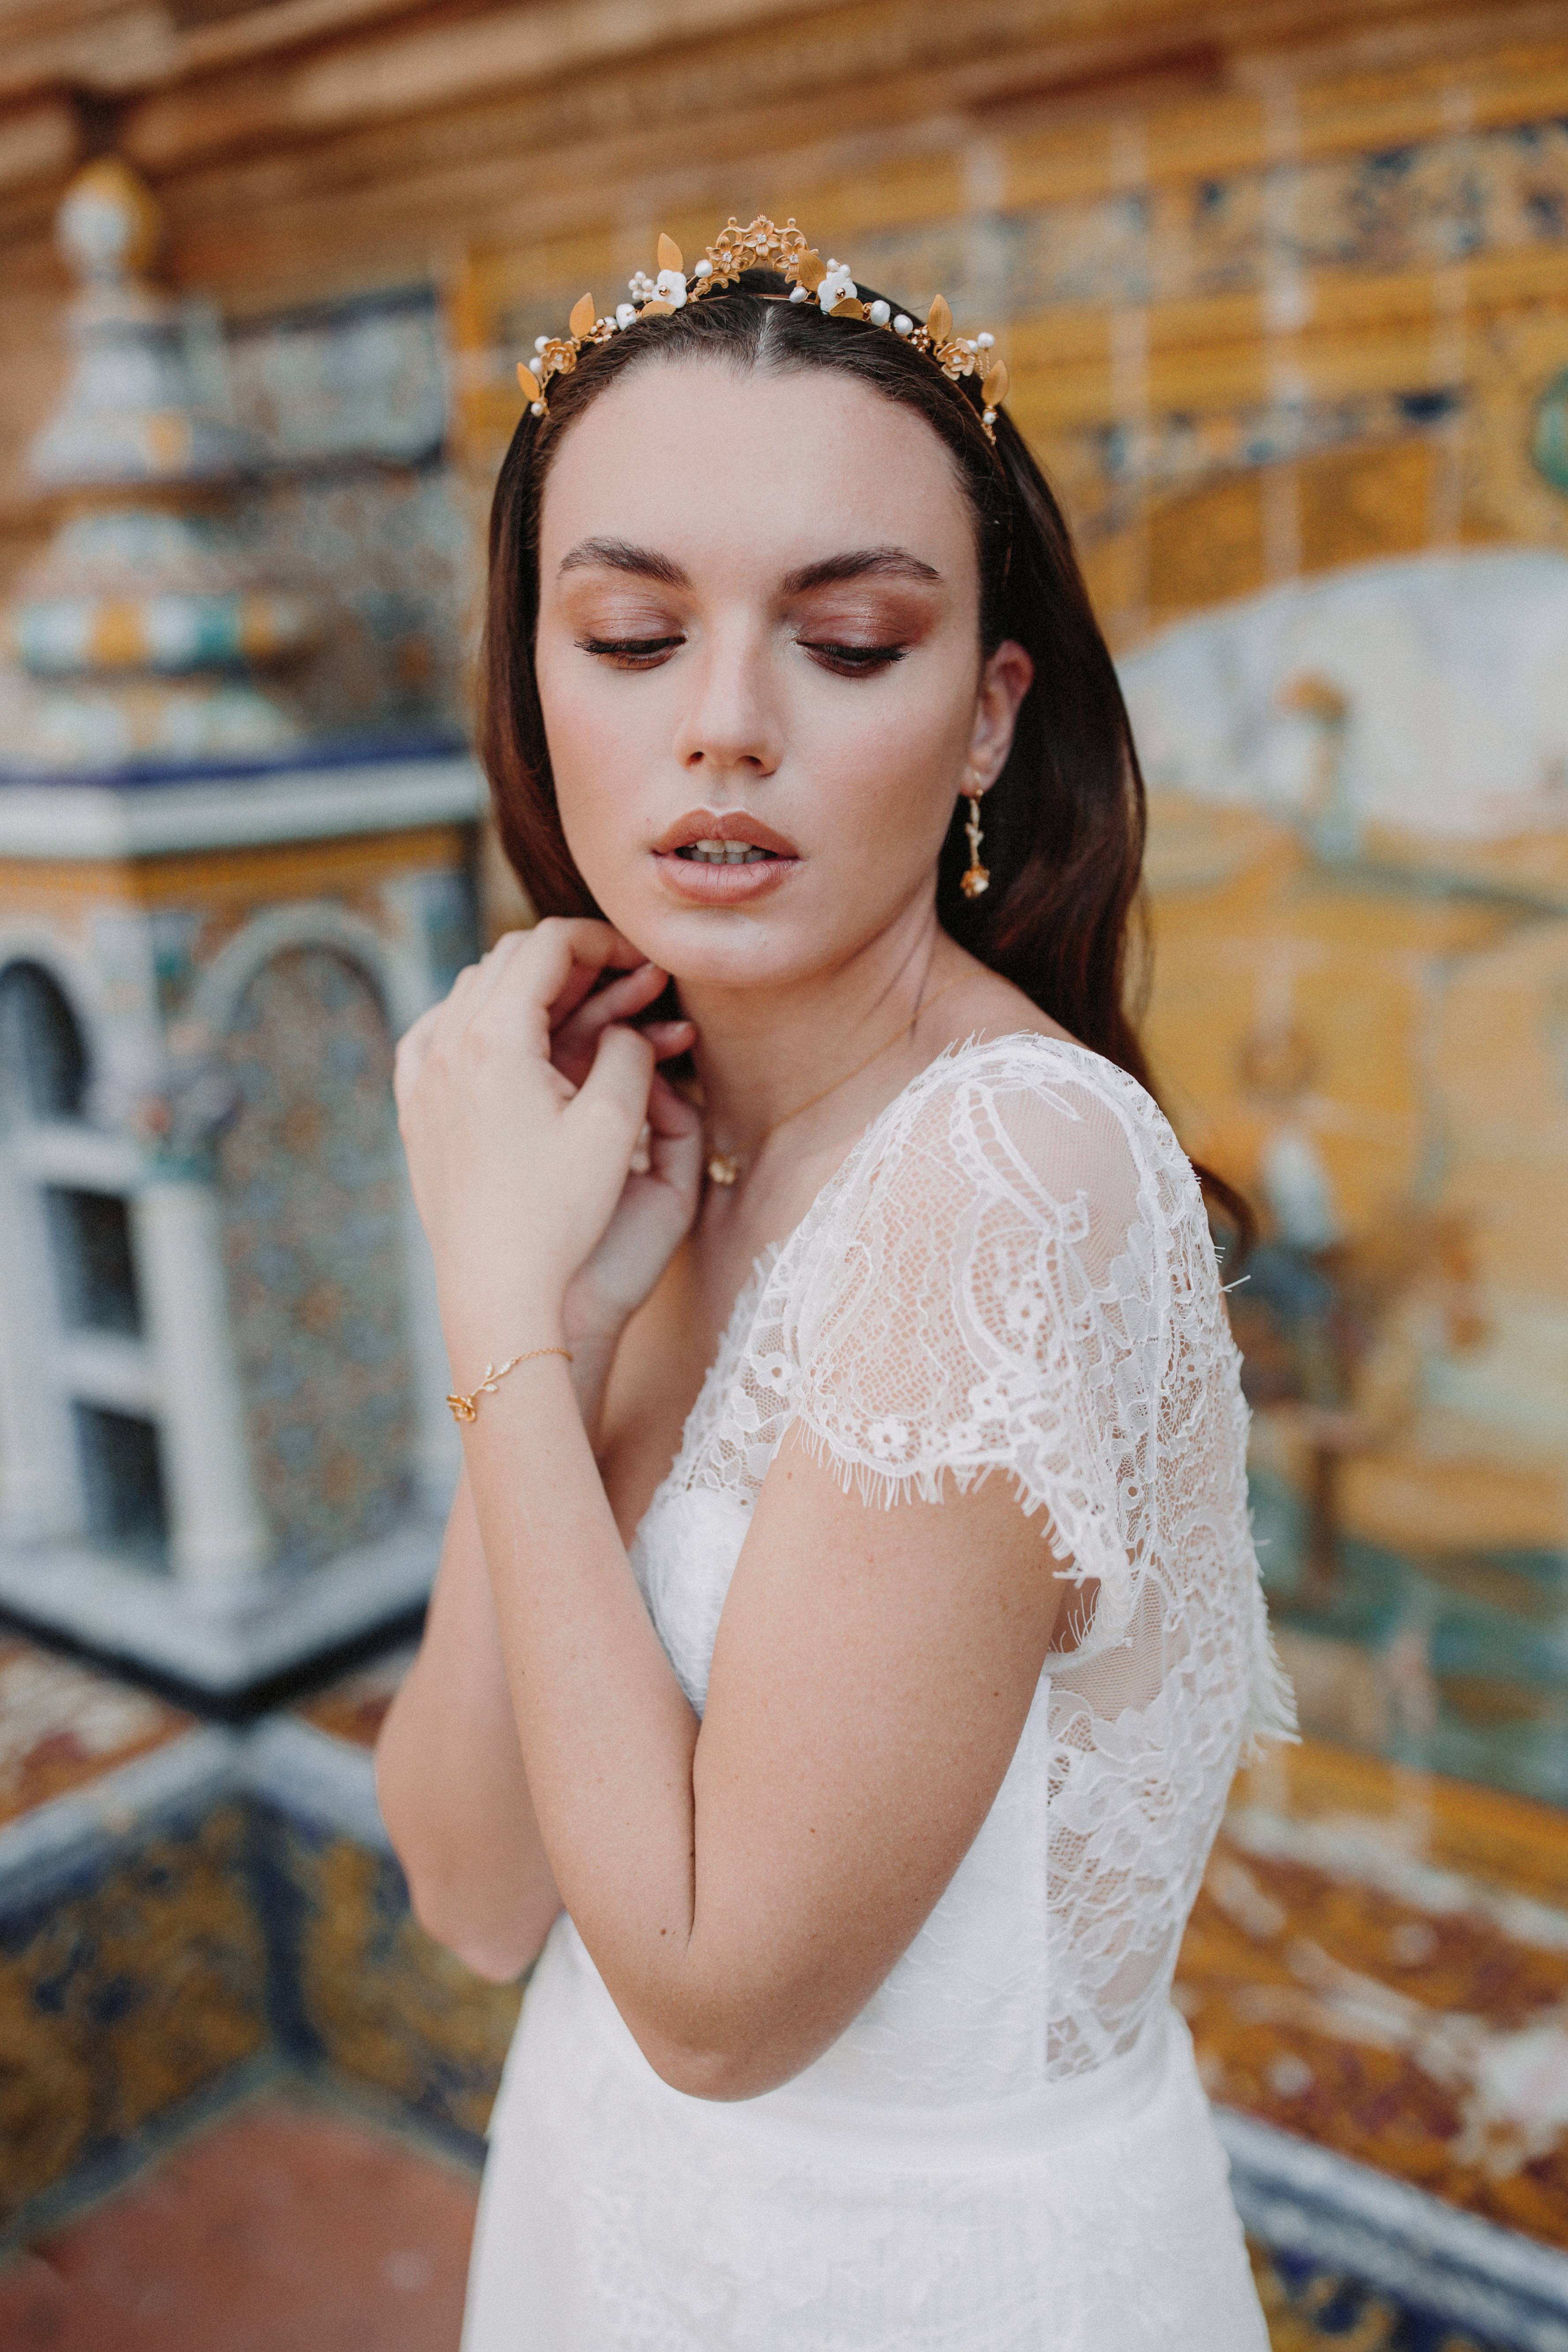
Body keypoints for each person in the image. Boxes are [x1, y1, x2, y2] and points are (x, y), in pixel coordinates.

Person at [376, 214, 1294, 2352]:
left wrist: (494, 1322)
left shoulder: (1007, 1170)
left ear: (987, 717)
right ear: (534, 678)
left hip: (914, 2285)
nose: (722, 729)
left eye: (848, 645)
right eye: (625, 638)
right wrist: (567, 1315)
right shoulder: (639, 1152)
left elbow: (714, 1996)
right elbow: (474, 1885)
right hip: (609, 2219)